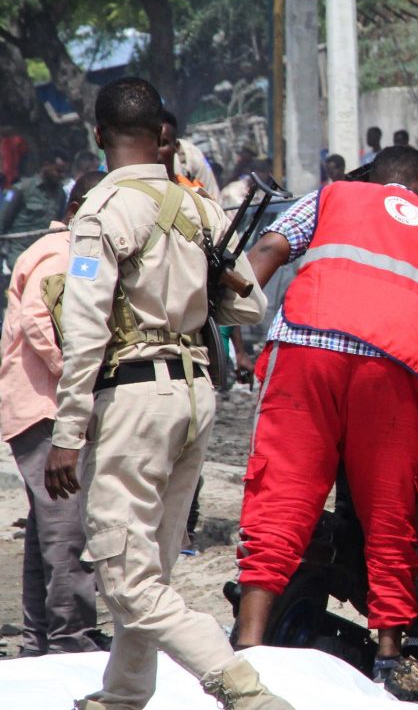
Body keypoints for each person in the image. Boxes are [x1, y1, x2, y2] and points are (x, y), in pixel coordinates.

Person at [41, 77, 285, 710]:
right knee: (149, 564)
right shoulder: (198, 206)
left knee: (124, 571)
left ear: (99, 137)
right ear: (160, 136)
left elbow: (86, 328)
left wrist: (67, 434)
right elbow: (249, 307)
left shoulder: (100, 211)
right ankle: (123, 694)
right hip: (195, 394)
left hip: (135, 401)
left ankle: (245, 690)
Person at [233, 146, 418, 681]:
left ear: (373, 179)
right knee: (390, 509)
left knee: (281, 495)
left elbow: (269, 249)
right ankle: (390, 651)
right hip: (392, 372)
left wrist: (222, 318)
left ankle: (248, 643)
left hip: (304, 352)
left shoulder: (330, 196)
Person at [0, 170, 106, 658]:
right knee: (68, 533)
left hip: (33, 407)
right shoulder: (65, 254)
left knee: (48, 531)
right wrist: (74, 376)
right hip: (46, 409)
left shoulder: (59, 250)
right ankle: (71, 642)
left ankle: (39, 641)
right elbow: (37, 317)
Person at [1, 152, 69, 268]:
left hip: (43, 256)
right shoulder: (21, 189)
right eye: (58, 171)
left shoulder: (60, 194)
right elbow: (2, 221)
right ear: (46, 165)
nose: (61, 175)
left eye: (64, 172)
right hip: (19, 255)